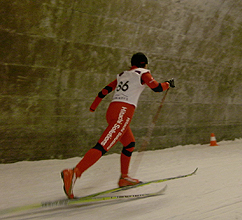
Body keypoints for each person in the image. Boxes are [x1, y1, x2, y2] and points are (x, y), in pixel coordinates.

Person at [61, 52, 175, 199]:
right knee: (103, 146)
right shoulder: (143, 73)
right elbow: (156, 87)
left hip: (113, 111)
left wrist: (93, 106)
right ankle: (74, 173)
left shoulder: (123, 75)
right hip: (123, 112)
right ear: (143, 63)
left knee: (129, 143)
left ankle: (124, 178)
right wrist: (168, 84)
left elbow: (104, 91)